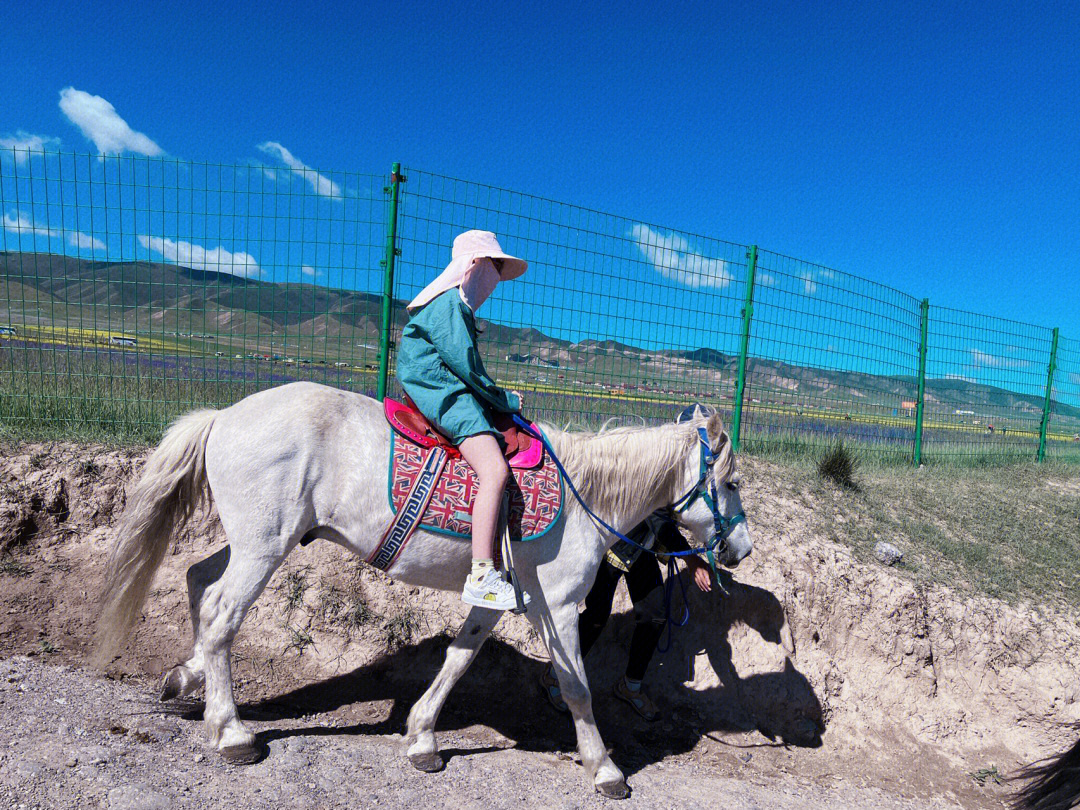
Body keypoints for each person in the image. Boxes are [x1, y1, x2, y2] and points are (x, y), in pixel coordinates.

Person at [541, 405, 715, 720]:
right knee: (595, 614)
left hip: (641, 550)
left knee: (655, 615)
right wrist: (691, 561)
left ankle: (630, 686)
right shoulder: (659, 461)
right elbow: (659, 520)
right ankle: (556, 676)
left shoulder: (686, 467)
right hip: (612, 545)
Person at [396, 230, 531, 611]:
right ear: (474, 266)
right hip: (444, 394)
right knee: (494, 470)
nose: (495, 279)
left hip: (441, 388)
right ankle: (482, 574)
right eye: (493, 267)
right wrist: (507, 400)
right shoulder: (449, 307)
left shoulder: (446, 306)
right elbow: (468, 370)